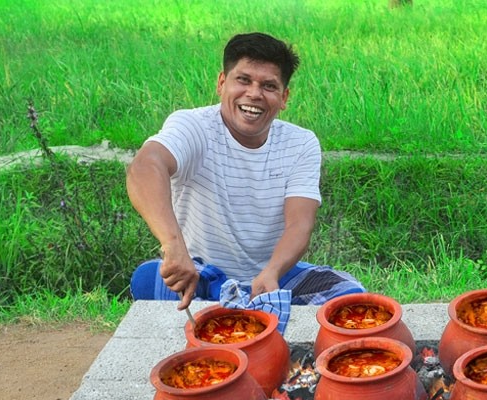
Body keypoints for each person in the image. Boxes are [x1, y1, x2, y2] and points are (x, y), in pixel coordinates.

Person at [127, 32, 364, 311]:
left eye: (268, 86)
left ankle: (237, 305)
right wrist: (173, 245)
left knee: (350, 295)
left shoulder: (301, 143)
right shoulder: (193, 126)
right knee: (148, 279)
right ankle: (235, 301)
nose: (254, 94)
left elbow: (299, 223)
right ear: (221, 83)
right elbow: (144, 167)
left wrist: (273, 272)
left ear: (284, 97)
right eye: (243, 80)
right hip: (201, 273)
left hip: (274, 277)